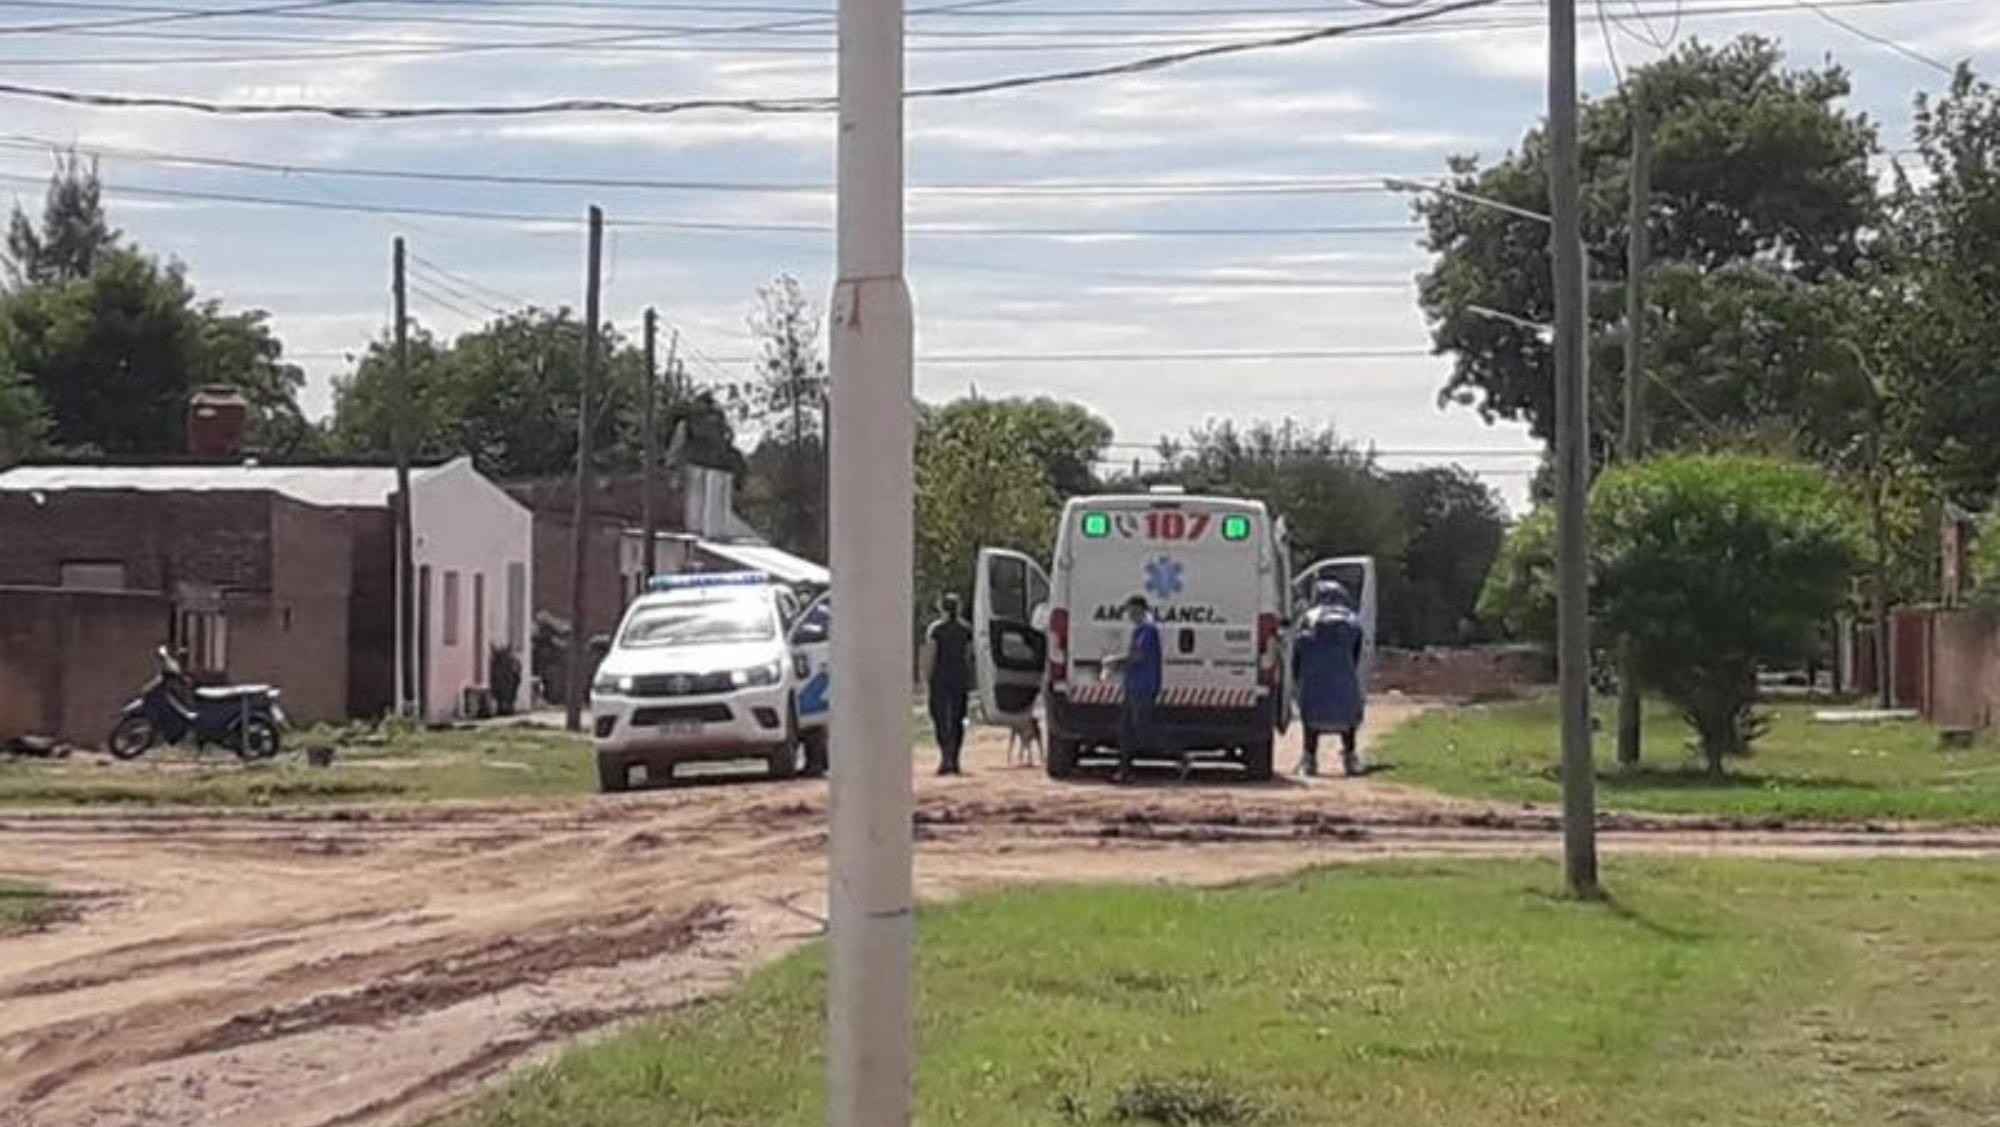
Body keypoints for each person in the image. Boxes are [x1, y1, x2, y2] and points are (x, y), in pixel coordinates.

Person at [1292, 579, 1366, 777]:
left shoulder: (1308, 618)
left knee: (1311, 718)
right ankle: (1350, 757)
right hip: (1344, 678)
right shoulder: (1352, 619)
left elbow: (1298, 650)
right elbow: (1356, 654)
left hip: (1314, 679)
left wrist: (1296, 676)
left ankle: (1309, 758)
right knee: (1348, 717)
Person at [1106, 593, 1163, 783]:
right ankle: (1124, 770)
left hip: (1143, 686)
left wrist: (1116, 662)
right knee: (1125, 730)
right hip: (1133, 685)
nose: (1128, 614)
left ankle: (1179, 755)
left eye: (1130, 610)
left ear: (1139, 610)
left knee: (1142, 730)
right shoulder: (1139, 630)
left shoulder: (1148, 631)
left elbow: (1138, 657)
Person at [923, 594, 974, 776]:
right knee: (957, 719)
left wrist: (926, 677)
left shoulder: (935, 629)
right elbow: (968, 656)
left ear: (941, 608)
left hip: (940, 678)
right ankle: (955, 759)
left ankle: (945, 756)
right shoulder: (966, 630)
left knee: (939, 718)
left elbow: (931, 654)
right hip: (959, 677)